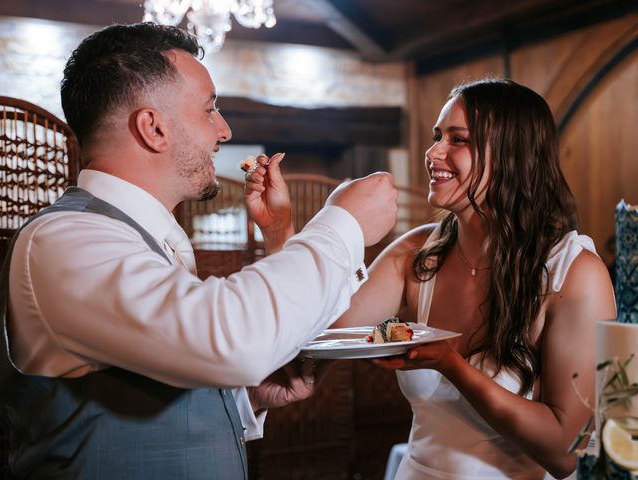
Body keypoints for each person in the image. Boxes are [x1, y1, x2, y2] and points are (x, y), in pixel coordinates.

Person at [0, 22, 398, 479]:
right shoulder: (63, 240)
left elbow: (165, 370)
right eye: (210, 110)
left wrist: (238, 400)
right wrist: (342, 224)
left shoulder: (147, 240)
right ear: (153, 128)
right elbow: (227, 337)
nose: (224, 132)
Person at [254, 79, 617, 479]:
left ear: (513, 154)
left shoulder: (574, 274)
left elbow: (568, 453)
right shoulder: (416, 255)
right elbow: (316, 329)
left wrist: (451, 365)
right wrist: (279, 231)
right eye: (436, 136)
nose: (432, 152)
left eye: (456, 139)